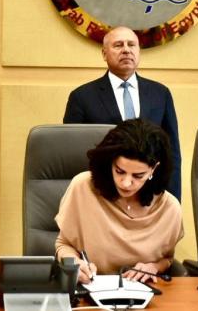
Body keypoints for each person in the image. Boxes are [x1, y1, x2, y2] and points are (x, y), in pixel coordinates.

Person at [55, 118, 184, 285]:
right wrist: (74, 264)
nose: (126, 183)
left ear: (154, 169)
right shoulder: (83, 187)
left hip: (146, 293)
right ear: (110, 162)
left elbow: (167, 259)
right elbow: (63, 244)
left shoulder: (169, 208)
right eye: (120, 171)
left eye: (138, 176)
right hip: (89, 289)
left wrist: (154, 267)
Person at [63, 26, 182, 201]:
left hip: (149, 196)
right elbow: (71, 153)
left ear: (138, 51)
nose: (126, 50)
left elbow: (172, 154)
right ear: (104, 54)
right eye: (118, 45)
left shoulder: (160, 93)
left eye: (131, 45)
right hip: (101, 195)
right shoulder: (82, 97)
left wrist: (173, 200)